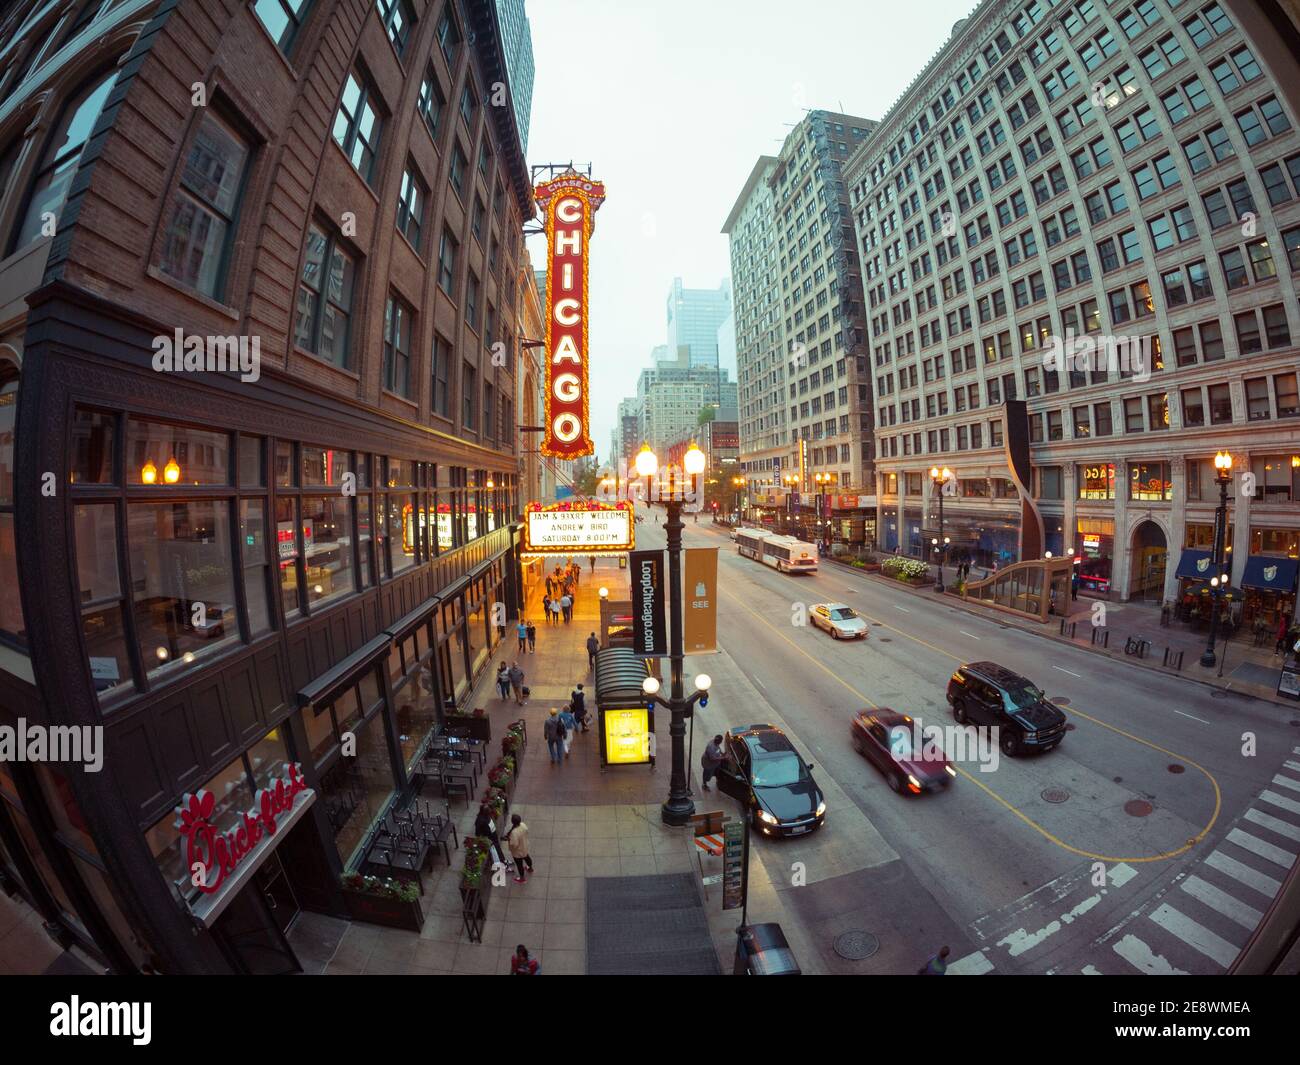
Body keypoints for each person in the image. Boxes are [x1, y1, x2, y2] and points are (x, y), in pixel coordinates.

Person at [475, 803, 506, 867]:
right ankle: (501, 861)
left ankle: (502, 860)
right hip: (489, 836)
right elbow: (478, 831)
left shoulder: (486, 815)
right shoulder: (481, 820)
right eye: (488, 810)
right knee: (495, 849)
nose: (489, 811)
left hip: (493, 834)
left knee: (497, 847)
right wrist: (481, 838)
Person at [505, 814, 533, 882]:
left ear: (512, 822)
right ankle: (530, 868)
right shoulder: (523, 825)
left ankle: (522, 878)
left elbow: (514, 844)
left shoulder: (514, 833)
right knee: (526, 857)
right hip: (524, 846)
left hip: (518, 852)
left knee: (519, 864)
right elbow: (527, 831)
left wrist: (509, 840)